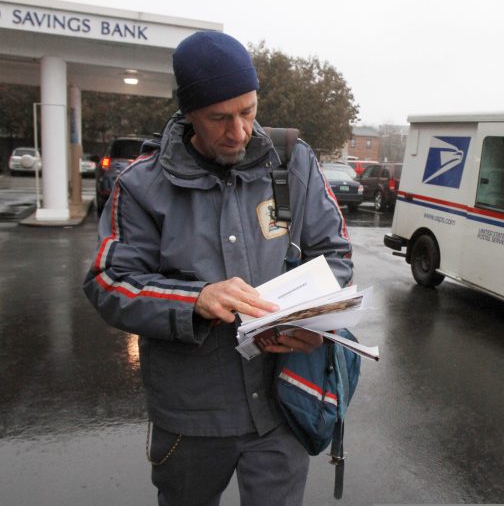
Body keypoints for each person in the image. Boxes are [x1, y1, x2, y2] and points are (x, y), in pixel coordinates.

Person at [83, 30, 353, 506]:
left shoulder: (291, 162)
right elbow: (109, 282)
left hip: (282, 404)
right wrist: (196, 300)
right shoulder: (142, 186)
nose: (240, 131)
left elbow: (335, 253)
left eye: (248, 111)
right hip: (191, 418)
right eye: (219, 118)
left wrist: (312, 320)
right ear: (189, 115)